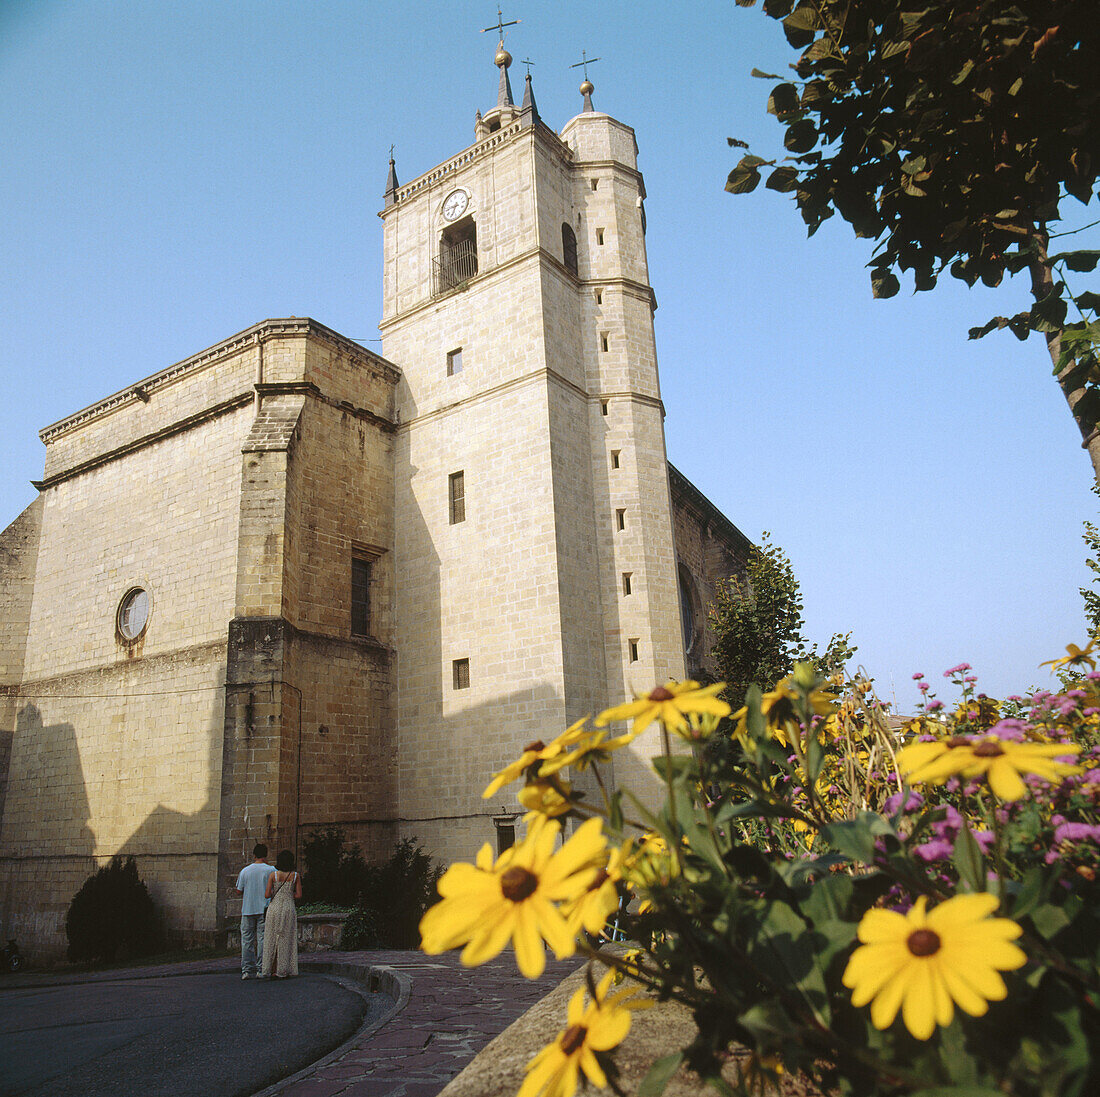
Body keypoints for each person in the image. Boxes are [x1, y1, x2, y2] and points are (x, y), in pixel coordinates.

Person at [235, 843, 275, 980]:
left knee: (246, 940)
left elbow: (239, 890)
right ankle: (261, 968)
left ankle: (246, 970)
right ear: (266, 855)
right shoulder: (270, 869)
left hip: (248, 908)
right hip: (264, 908)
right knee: (263, 938)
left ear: (254, 855)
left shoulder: (245, 871)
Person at [261, 849, 301, 979]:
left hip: (275, 907)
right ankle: (283, 969)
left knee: (271, 937)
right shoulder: (295, 875)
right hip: (289, 907)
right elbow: (299, 895)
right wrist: (289, 895)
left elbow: (267, 894)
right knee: (286, 938)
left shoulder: (274, 875)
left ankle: (268, 968)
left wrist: (275, 893)